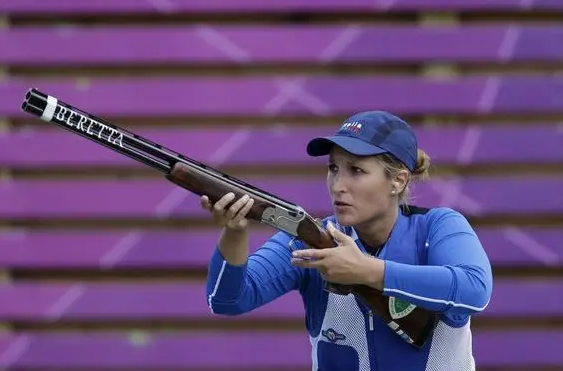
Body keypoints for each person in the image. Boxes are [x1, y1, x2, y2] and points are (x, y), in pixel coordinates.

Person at [200, 111, 493, 371]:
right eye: (333, 168)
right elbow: (227, 300)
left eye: (357, 170)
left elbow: (475, 290)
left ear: (399, 181)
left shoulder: (437, 227)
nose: (338, 185)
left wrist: (367, 271)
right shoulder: (311, 239)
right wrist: (235, 233)